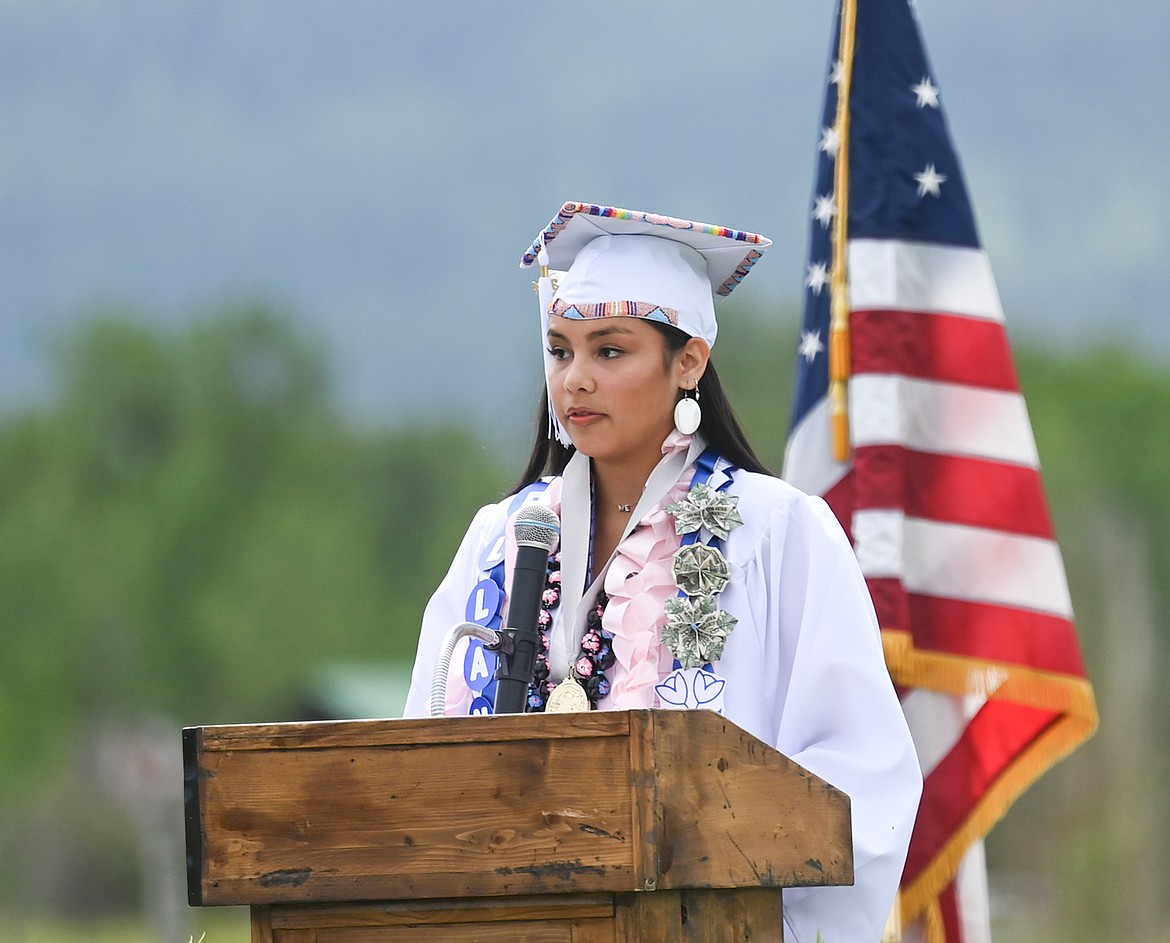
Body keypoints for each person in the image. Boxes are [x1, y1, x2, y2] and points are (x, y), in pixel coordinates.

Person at [403, 201, 922, 942]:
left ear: (689, 362)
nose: (575, 379)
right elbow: (415, 766)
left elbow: (859, 781)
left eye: (609, 352)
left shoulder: (779, 533)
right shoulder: (503, 537)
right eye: (560, 350)